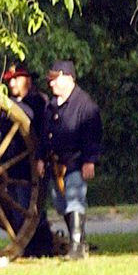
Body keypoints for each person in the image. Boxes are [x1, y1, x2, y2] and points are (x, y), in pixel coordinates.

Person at [42, 61, 102, 258]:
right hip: (56, 164)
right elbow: (44, 135)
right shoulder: (52, 106)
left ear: (68, 78)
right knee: (62, 205)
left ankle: (76, 248)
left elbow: (93, 136)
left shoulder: (85, 105)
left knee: (75, 201)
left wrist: (90, 160)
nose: (51, 84)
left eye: (55, 79)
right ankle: (79, 242)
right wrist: (40, 158)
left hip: (76, 162)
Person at [1, 64, 56, 256]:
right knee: (18, 212)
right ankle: (27, 247)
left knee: (32, 211)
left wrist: (1, 103)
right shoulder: (9, 103)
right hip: (12, 168)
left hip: (31, 167)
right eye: (9, 80)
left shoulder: (37, 101)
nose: (12, 83)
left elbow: (25, 114)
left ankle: (41, 247)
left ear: (28, 80)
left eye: (16, 78)